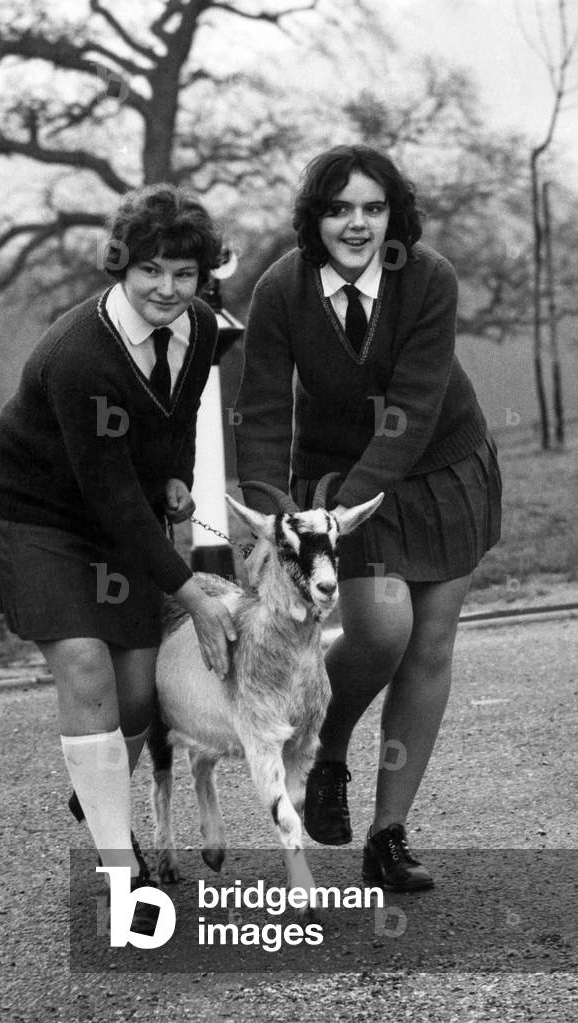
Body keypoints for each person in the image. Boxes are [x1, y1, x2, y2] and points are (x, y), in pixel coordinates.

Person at [234, 144, 501, 892]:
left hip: (438, 467)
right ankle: (326, 743)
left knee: (429, 644)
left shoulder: (428, 279)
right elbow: (258, 412)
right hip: (331, 491)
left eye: (371, 208)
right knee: (382, 629)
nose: (355, 224)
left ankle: (387, 834)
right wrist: (272, 511)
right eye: (338, 208)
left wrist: (351, 502)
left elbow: (412, 410)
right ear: (314, 216)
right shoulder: (281, 290)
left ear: (393, 215)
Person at [0, 184, 236, 932]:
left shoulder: (202, 331)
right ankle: (126, 882)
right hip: (40, 512)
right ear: (121, 267)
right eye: (151, 269)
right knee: (87, 666)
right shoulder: (79, 355)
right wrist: (189, 590)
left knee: (137, 690)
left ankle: (97, 789)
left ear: (202, 278)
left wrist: (178, 473)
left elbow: (177, 414)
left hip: (121, 506)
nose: (167, 288)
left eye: (184, 274)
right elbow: (111, 496)